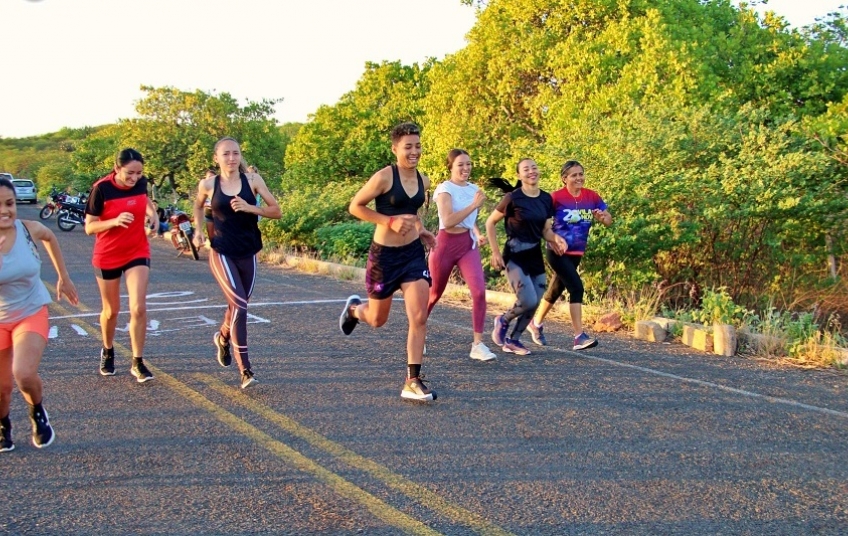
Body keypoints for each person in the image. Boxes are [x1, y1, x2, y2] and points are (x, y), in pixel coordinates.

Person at [338, 122, 439, 402]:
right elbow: (355, 206)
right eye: (408, 147)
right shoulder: (383, 177)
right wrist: (388, 221)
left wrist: (422, 231)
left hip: (412, 256)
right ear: (395, 149)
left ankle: (412, 380)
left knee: (419, 316)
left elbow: (412, 214)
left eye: (418, 145)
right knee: (378, 319)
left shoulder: (424, 180)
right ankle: (355, 310)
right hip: (384, 257)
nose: (414, 151)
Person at [192, 137, 281, 389]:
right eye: (226, 154)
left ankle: (222, 337)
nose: (232, 158)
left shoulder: (252, 181)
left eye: (236, 153)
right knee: (240, 306)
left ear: (241, 156)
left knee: (237, 305)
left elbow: (277, 211)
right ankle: (246, 370)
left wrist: (251, 208)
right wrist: (198, 231)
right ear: (216, 158)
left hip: (249, 251)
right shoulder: (208, 184)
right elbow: (198, 207)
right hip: (221, 252)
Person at [0, 177, 79, 451]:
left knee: (22, 373)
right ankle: (3, 424)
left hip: (29, 311)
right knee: (2, 390)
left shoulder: (28, 230)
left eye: (9, 204)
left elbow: (50, 236)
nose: (5, 211)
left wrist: (63, 277)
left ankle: (37, 411)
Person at [85, 149, 158, 383]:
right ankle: (107, 349)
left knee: (138, 307)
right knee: (111, 311)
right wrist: (114, 221)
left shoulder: (140, 182)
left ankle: (138, 361)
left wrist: (153, 216)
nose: (134, 178)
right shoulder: (101, 189)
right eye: (129, 173)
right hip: (107, 254)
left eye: (139, 173)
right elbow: (89, 227)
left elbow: (145, 200)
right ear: (117, 169)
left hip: (137, 250)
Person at [528, 160, 612, 350]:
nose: (579, 178)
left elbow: (608, 220)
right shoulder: (555, 198)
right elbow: (543, 225)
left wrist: (602, 217)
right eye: (574, 175)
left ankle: (536, 323)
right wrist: (554, 240)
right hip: (556, 251)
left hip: (577, 252)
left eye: (581, 174)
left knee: (556, 290)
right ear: (564, 178)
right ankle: (578, 336)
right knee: (576, 288)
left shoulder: (591, 197)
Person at [485, 159, 566, 355]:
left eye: (534, 168)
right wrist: (495, 252)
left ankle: (513, 340)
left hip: (534, 254)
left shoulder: (546, 199)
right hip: (514, 254)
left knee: (536, 300)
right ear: (519, 176)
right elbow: (490, 223)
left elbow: (545, 230)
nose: (531, 171)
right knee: (528, 299)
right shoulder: (513, 198)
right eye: (526, 169)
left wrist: (556, 238)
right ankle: (503, 320)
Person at [426, 149, 495, 361]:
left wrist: (477, 233)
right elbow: (448, 220)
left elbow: (468, 219)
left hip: (467, 245)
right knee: (434, 294)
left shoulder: (475, 189)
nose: (466, 168)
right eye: (460, 165)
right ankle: (417, 335)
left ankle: (478, 345)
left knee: (479, 292)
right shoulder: (444, 189)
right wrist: (474, 205)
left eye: (469, 164)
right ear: (451, 167)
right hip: (444, 245)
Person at [201, 167, 217, 242]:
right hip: (209, 214)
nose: (211, 178)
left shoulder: (219, 187)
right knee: (211, 237)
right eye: (209, 177)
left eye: (212, 177)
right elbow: (199, 204)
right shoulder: (204, 188)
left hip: (219, 215)